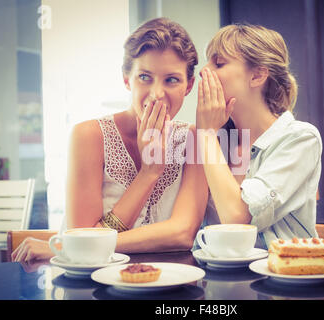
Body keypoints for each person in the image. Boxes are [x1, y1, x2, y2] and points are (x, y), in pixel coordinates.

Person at [12, 17, 208, 262]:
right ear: (127, 79)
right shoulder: (89, 136)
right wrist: (149, 173)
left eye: (171, 80)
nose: (157, 94)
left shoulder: (196, 141)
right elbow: (82, 241)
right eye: (145, 77)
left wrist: (75, 246)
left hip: (169, 284)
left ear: (188, 86)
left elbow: (182, 235)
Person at [196, 23, 322, 248]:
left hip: (281, 277)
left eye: (218, 63)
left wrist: (205, 135)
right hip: (217, 278)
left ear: (257, 75)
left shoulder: (301, 138)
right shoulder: (217, 142)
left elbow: (237, 219)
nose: (203, 71)